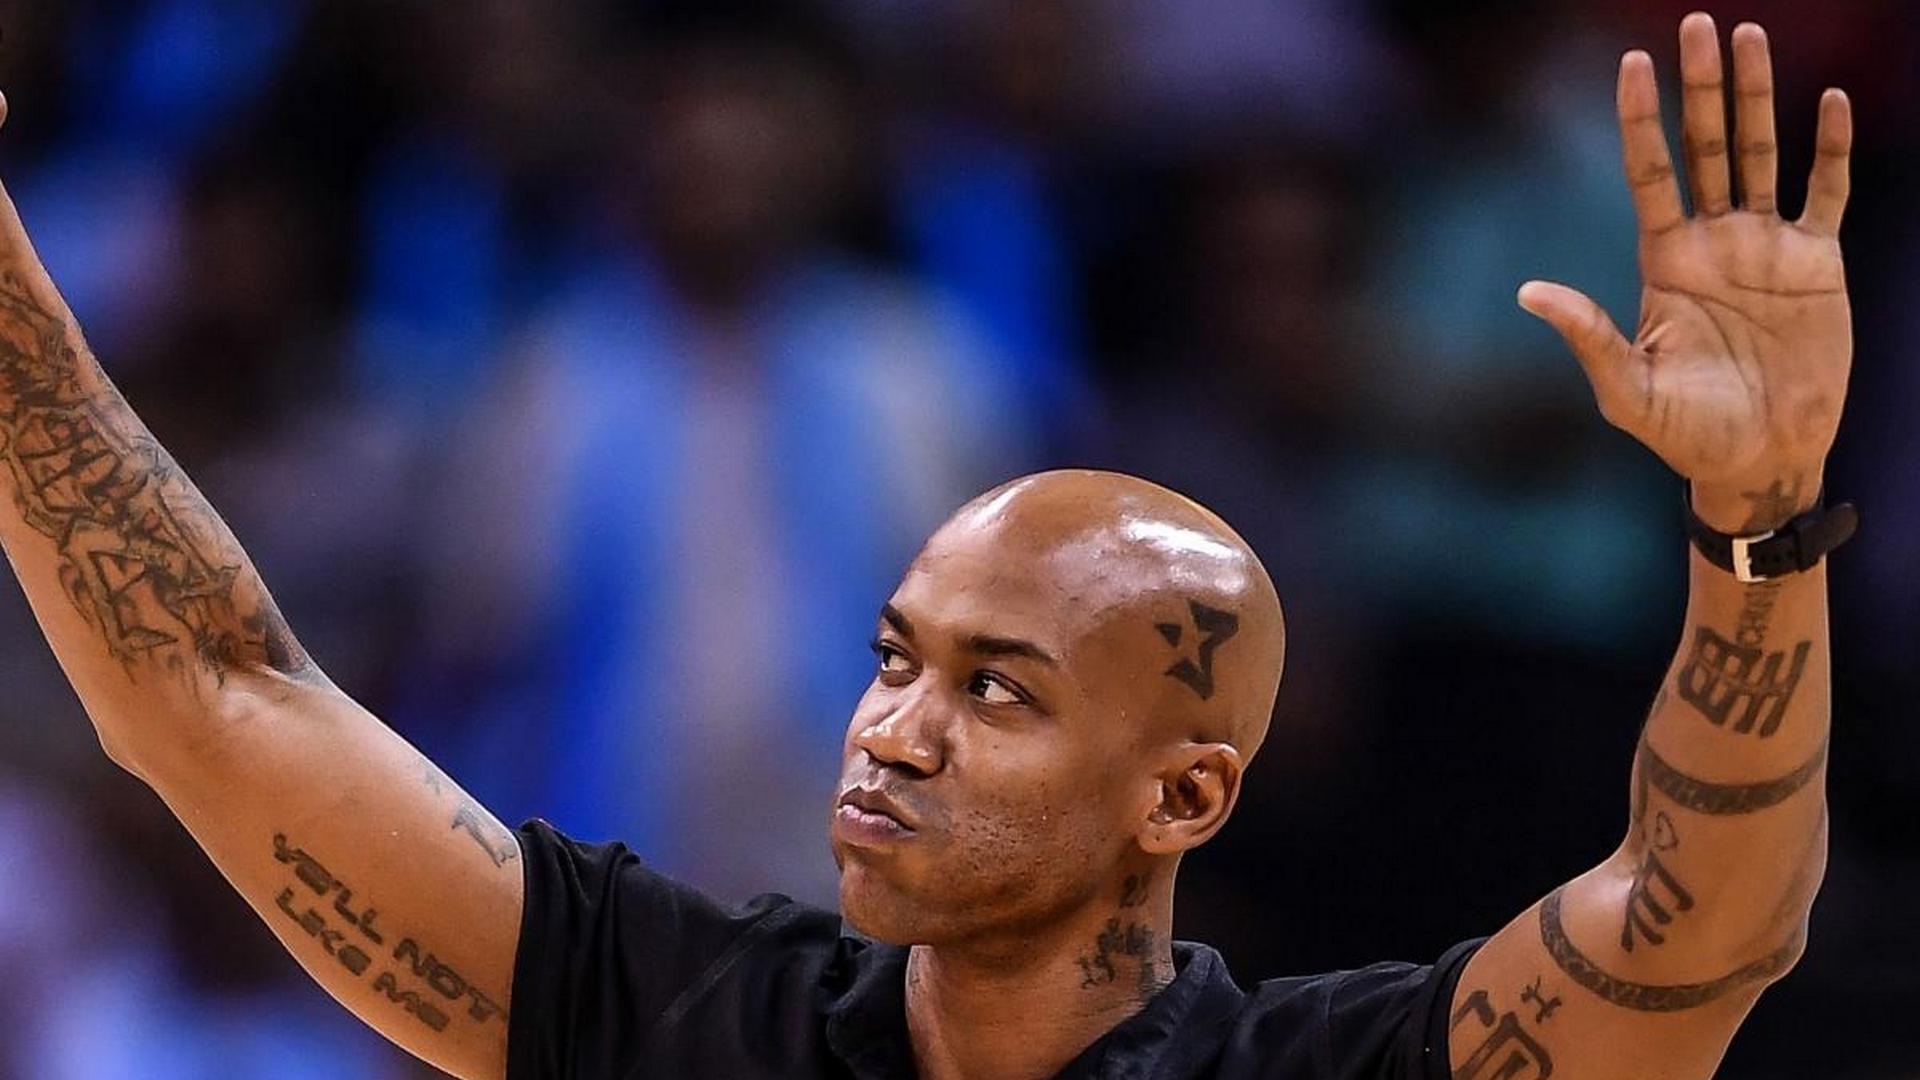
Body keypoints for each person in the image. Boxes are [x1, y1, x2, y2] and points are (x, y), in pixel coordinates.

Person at [0, 13, 1853, 1079]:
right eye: (897, 658)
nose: (894, 729)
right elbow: (220, 694)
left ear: (1185, 796)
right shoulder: (681, 1015)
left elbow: (1706, 934)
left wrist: (1758, 518)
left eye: (998, 690)